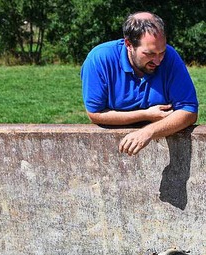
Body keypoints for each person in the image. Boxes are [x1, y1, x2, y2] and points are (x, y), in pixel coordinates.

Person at [81, 12, 198, 156]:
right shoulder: (99, 59)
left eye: (161, 52)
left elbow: (189, 111)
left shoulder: (170, 57)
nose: (158, 61)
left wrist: (149, 132)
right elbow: (95, 113)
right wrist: (146, 115)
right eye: (150, 54)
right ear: (128, 44)